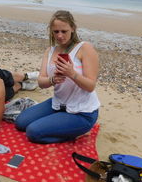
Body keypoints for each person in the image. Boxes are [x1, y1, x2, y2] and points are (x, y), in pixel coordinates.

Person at [15, 10, 100, 144]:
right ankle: (59, 123)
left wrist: (72, 74)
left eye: (64, 31)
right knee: (20, 123)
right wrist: (52, 80)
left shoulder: (85, 48)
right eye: (56, 32)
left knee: (33, 132)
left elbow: (90, 86)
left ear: (72, 28)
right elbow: (41, 82)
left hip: (82, 112)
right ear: (51, 32)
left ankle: (75, 133)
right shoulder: (50, 51)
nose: (60, 36)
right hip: (58, 103)